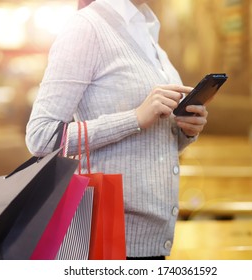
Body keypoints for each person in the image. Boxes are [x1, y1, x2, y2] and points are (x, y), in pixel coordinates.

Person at [26, 0, 208, 259]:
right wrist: (134, 118)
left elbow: (152, 142)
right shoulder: (86, 28)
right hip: (107, 235)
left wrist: (186, 130)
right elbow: (41, 136)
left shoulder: (145, 29)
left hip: (152, 240)